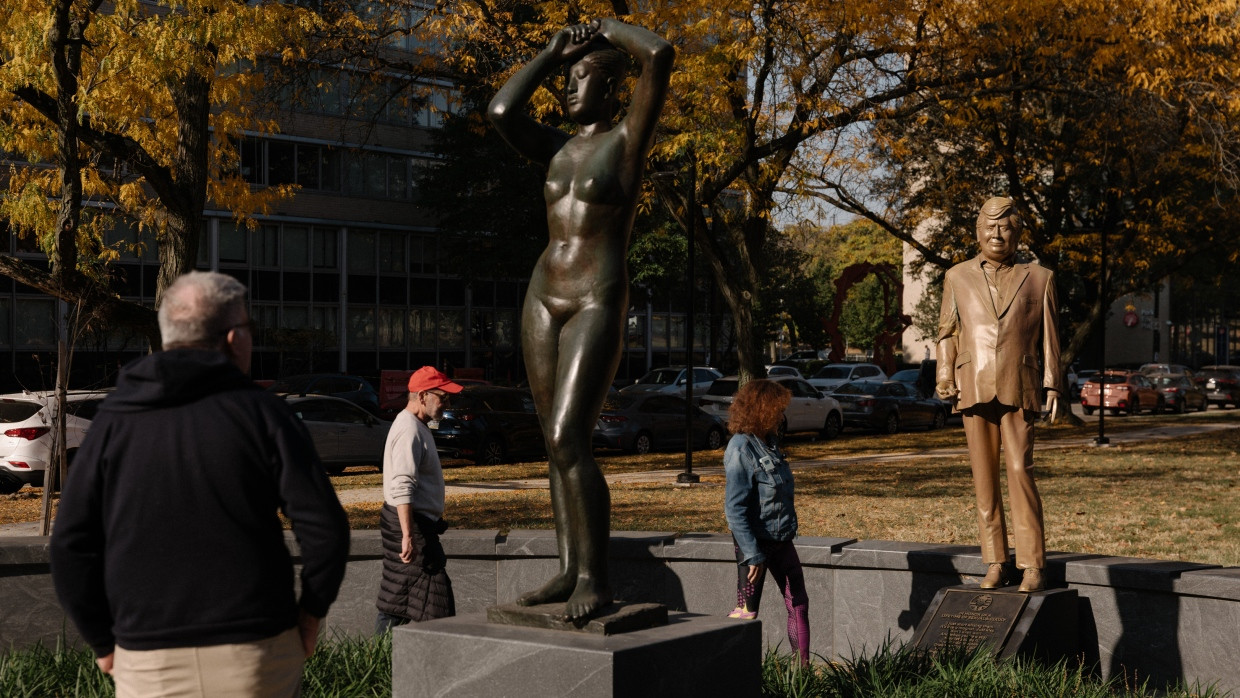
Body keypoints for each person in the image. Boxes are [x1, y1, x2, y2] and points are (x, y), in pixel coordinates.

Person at [50, 271, 350, 696]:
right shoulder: (264, 415)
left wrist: (102, 641)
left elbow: (69, 544)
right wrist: (311, 614)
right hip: (256, 650)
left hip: (147, 658)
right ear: (233, 338)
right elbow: (325, 531)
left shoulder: (113, 422)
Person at [488, 18, 673, 621]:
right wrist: (548, 52)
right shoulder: (557, 148)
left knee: (571, 436)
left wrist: (607, 28)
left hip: (596, 295)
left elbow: (659, 53)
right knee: (551, 441)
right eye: (565, 79)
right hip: (544, 294)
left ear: (614, 86)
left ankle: (595, 577)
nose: (568, 88)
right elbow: (499, 113)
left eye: (582, 76)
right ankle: (568, 569)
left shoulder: (625, 141)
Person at [936, 196, 1061, 593]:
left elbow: (1050, 338)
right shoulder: (956, 276)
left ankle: (1033, 564)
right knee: (984, 479)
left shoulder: (1040, 277)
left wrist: (1053, 381)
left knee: (1021, 471)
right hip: (972, 384)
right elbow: (947, 331)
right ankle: (995, 561)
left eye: (1004, 226)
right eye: (989, 227)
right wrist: (943, 374)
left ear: (1017, 232)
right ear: (977, 232)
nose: (996, 234)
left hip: (1019, 384)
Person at [723, 379, 810, 667]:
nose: (781, 416)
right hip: (754, 547)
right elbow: (734, 509)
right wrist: (752, 554)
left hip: (781, 539)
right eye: (777, 409)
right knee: (746, 613)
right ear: (763, 410)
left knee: (798, 602)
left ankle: (802, 671)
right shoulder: (740, 449)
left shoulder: (769, 444)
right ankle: (730, 675)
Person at [375, 366, 462, 632]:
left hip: (416, 526)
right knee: (418, 602)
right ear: (423, 396)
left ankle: (385, 663)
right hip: (412, 527)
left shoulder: (416, 426)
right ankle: (394, 664)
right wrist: (407, 534)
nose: (447, 403)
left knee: (401, 599)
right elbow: (402, 484)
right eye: (442, 396)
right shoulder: (409, 429)